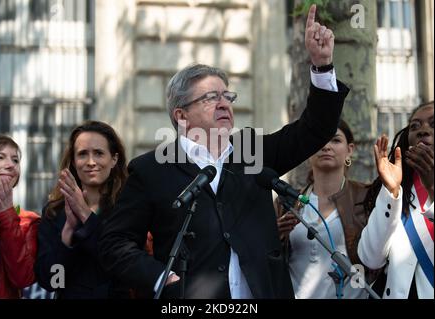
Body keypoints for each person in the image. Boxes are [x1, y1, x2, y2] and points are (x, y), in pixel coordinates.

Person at [99, 5, 350, 298]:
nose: (224, 104)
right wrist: (160, 278)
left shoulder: (253, 150)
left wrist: (321, 66)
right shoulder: (151, 169)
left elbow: (315, 130)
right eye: (211, 97)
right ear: (181, 115)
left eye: (227, 96)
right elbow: (115, 242)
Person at [34, 120, 145, 298]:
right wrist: (68, 234)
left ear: (114, 159)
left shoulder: (128, 207)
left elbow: (122, 265)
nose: (91, 162)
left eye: (99, 153)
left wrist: (85, 216)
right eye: (83, 154)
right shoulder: (54, 211)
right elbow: (50, 281)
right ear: (74, 161)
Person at [275, 119, 377, 299]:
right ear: (307, 151)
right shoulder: (286, 201)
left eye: (335, 140)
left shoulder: (367, 198)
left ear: (350, 150)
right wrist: (275, 235)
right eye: (319, 140)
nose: (326, 146)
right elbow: (263, 262)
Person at [359, 101, 434, 299]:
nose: (422, 130)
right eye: (414, 126)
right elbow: (371, 258)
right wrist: (390, 191)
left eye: (433, 124)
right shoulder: (401, 189)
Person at [0, 134, 40, 299]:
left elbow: (22, 278)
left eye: (15, 160)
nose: (10, 165)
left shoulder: (29, 221)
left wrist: (7, 214)